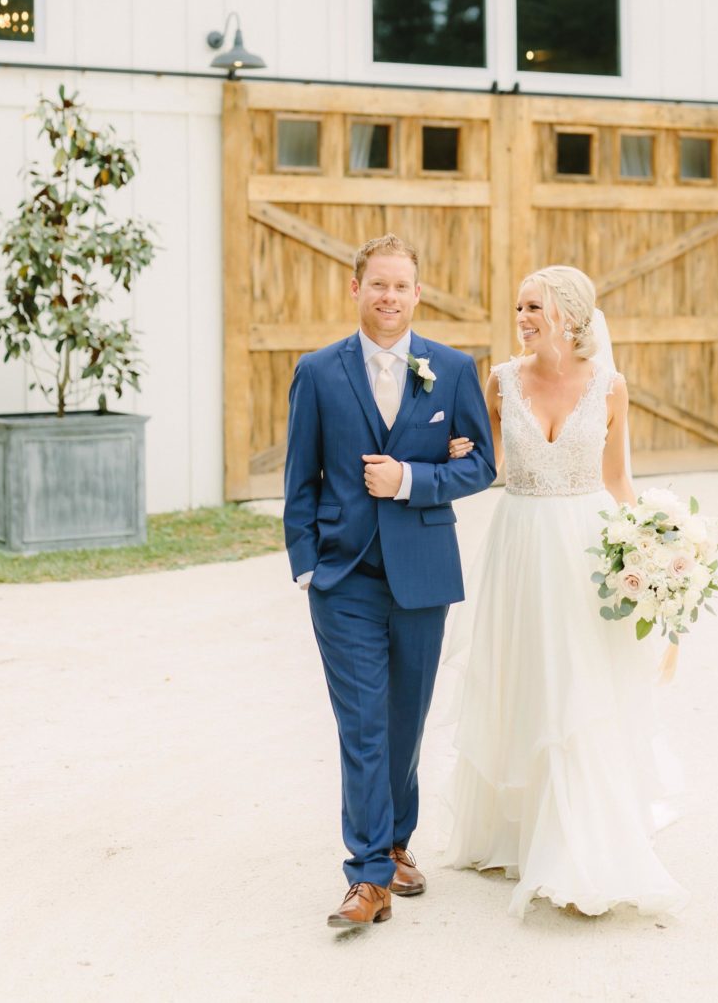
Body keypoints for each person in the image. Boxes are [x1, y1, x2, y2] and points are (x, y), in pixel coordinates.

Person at [442, 265, 689, 919]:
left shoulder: (610, 387)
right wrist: (450, 448)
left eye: (535, 306)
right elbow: (480, 466)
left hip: (583, 548)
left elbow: (618, 481)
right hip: (519, 546)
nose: (521, 316)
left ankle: (578, 842)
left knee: (579, 688)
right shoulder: (499, 381)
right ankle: (514, 831)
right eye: (519, 305)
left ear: (571, 316)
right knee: (524, 679)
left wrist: (657, 557)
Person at [284, 234, 496, 930]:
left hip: (423, 576)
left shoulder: (453, 370)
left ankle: (398, 842)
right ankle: (368, 874)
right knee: (364, 726)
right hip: (343, 580)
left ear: (417, 293)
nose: (388, 297)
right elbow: (299, 479)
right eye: (377, 283)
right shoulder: (318, 373)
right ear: (356, 289)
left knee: (404, 724)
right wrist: (308, 563)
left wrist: (412, 479)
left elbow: (481, 467)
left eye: (401, 286)